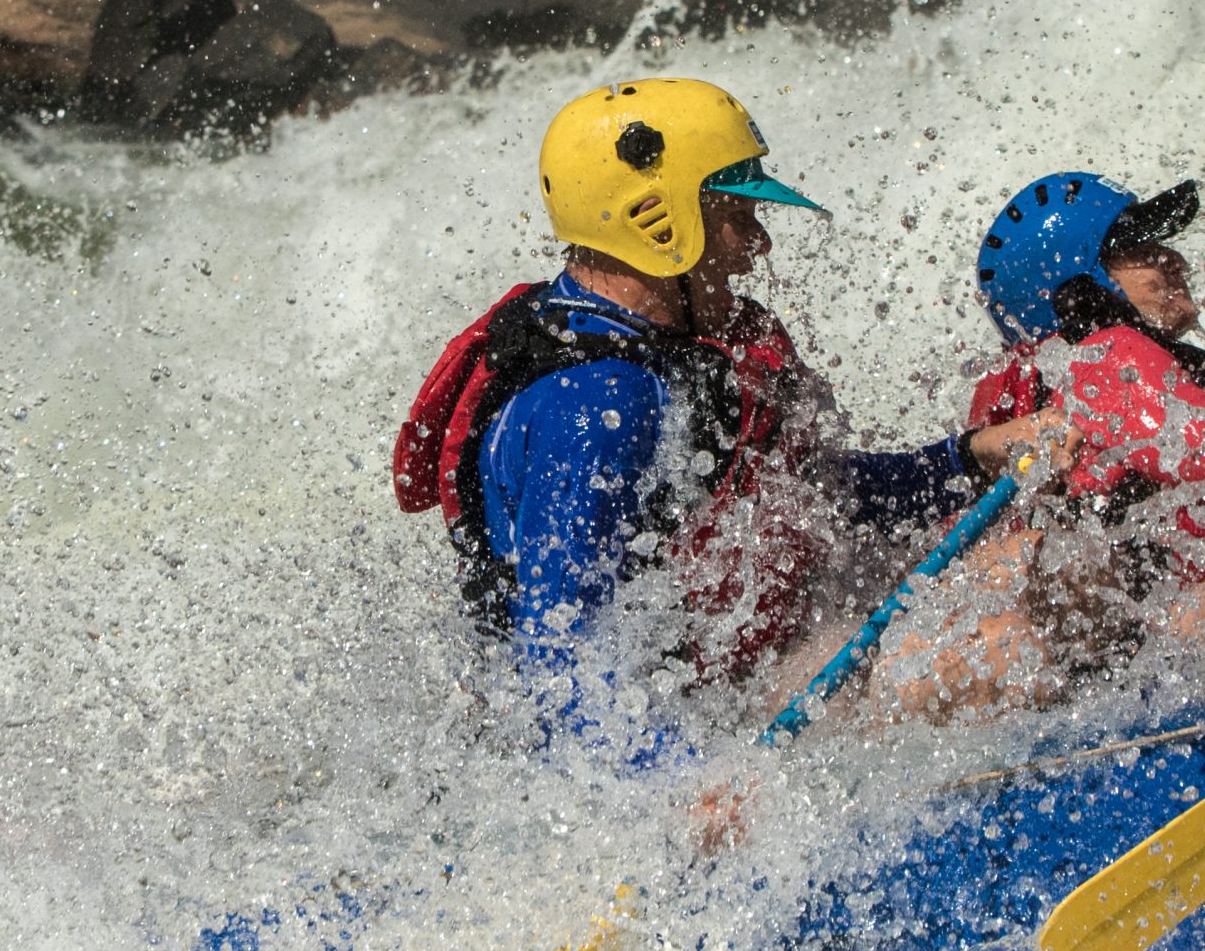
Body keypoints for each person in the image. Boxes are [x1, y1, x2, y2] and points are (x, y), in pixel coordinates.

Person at [392, 76, 1046, 764]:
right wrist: (691, 784)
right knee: (1010, 647)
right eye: (738, 213)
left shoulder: (673, 353)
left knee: (1032, 569)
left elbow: (821, 498)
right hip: (664, 746)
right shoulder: (598, 407)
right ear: (659, 220)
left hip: (724, 682)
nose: (757, 243)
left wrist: (970, 457)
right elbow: (560, 669)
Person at [876, 171, 1205, 716]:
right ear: (1088, 283)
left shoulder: (1075, 370)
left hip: (1088, 651)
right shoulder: (1112, 358)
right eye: (1144, 251)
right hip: (1105, 653)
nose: (1176, 261)